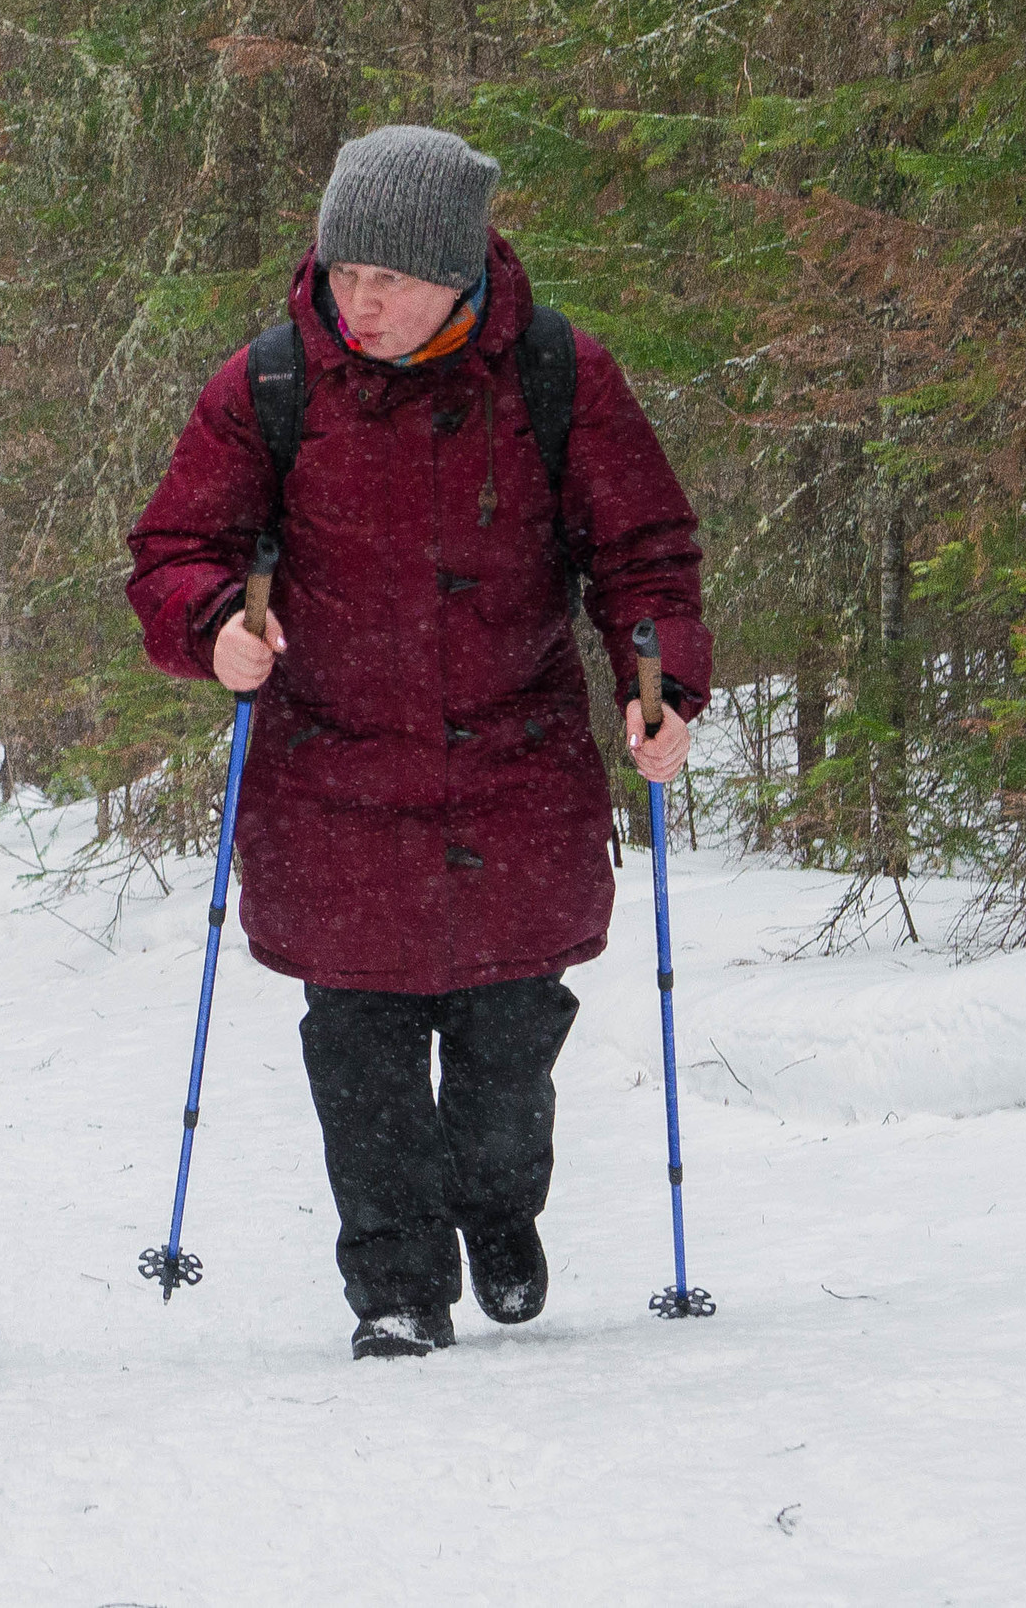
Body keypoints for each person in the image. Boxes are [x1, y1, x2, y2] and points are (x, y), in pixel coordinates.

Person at [126, 127, 707, 1359]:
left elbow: (642, 552)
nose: (360, 300)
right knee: (360, 1049)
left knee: (506, 1048)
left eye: (388, 277)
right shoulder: (270, 386)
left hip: (514, 769)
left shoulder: (556, 375)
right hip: (332, 776)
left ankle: (497, 1211)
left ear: (458, 272)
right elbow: (176, 550)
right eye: (344, 272)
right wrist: (211, 625)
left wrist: (661, 686)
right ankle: (394, 1281)